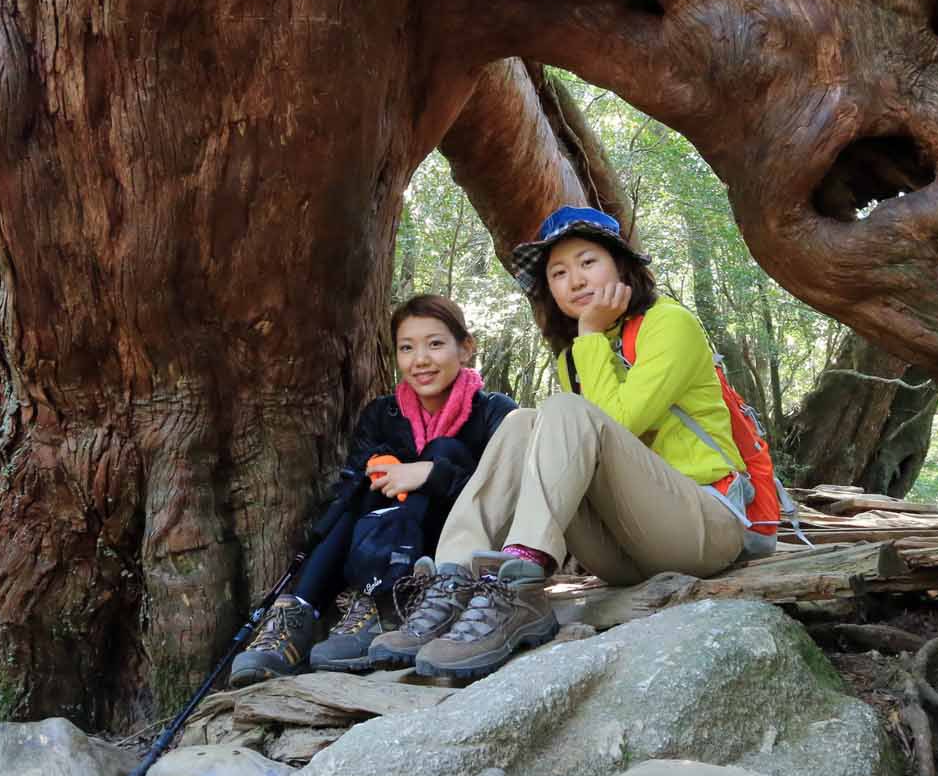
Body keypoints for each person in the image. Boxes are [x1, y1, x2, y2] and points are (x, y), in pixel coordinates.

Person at [366, 206, 752, 680]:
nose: (574, 281)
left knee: (565, 410)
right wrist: (586, 344)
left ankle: (523, 580)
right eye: (559, 272)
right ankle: (453, 577)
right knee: (522, 421)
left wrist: (589, 333)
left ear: (622, 266)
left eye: (587, 262)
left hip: (704, 527)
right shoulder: (573, 359)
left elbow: (621, 421)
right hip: (626, 552)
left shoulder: (668, 323)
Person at [229, 294, 517, 686]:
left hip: (453, 549)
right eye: (406, 347)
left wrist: (430, 474)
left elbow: (503, 495)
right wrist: (384, 474)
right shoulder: (383, 415)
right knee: (360, 486)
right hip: (381, 539)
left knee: (443, 451)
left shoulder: (494, 412)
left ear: (465, 347)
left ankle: (386, 604)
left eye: (435, 344)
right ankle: (297, 613)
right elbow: (352, 491)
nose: (420, 360)